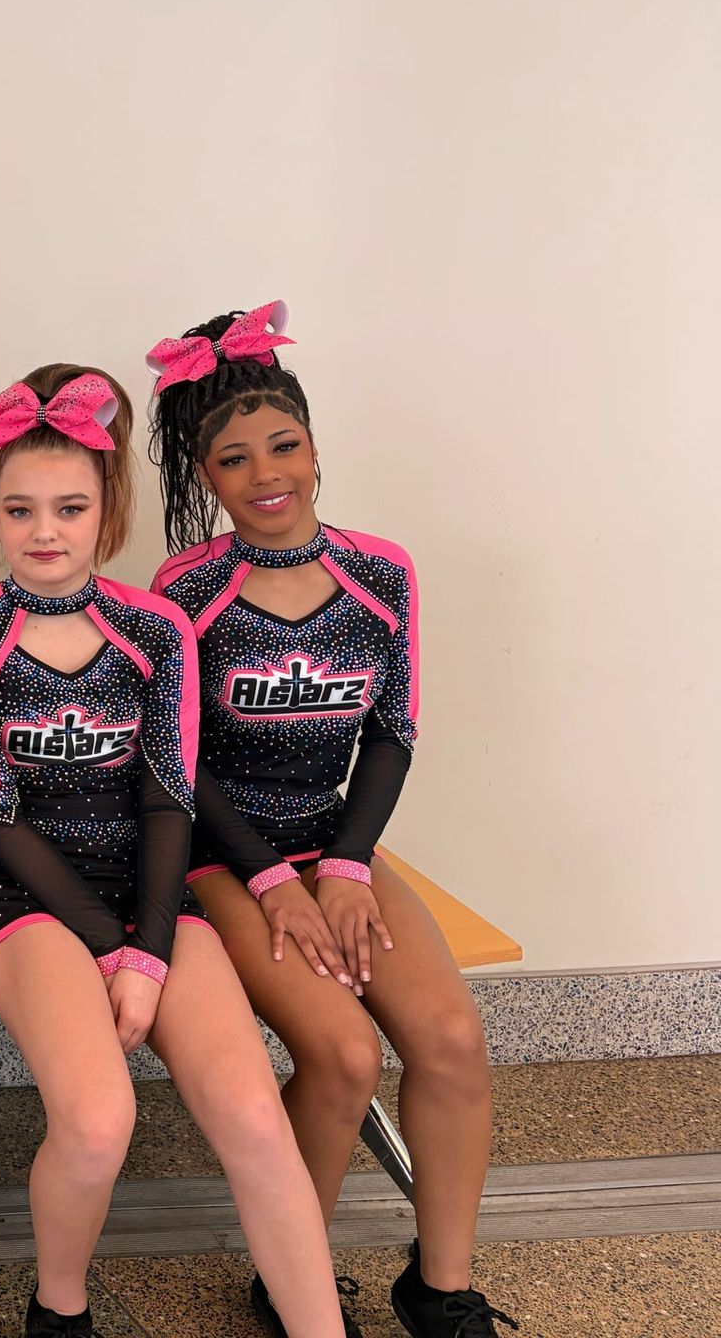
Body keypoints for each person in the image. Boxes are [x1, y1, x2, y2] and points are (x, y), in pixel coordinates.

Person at [0, 365, 345, 1338]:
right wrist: (108, 947)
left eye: (69, 507)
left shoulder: (154, 629)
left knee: (251, 1117)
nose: (44, 531)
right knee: (100, 1119)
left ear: (108, 509)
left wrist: (149, 948)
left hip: (150, 888)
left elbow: (167, 802)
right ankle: (60, 1311)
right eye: (20, 509)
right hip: (26, 896)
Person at [149, 303, 512, 1338]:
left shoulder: (383, 572)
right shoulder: (187, 590)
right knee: (347, 1055)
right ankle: (293, 1278)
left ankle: (440, 1289)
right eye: (233, 459)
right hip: (222, 857)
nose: (267, 474)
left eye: (285, 445)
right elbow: (176, 764)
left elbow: (393, 734)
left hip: (334, 845)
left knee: (449, 1038)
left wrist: (345, 868)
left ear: (314, 445)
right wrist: (274, 880)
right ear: (205, 478)